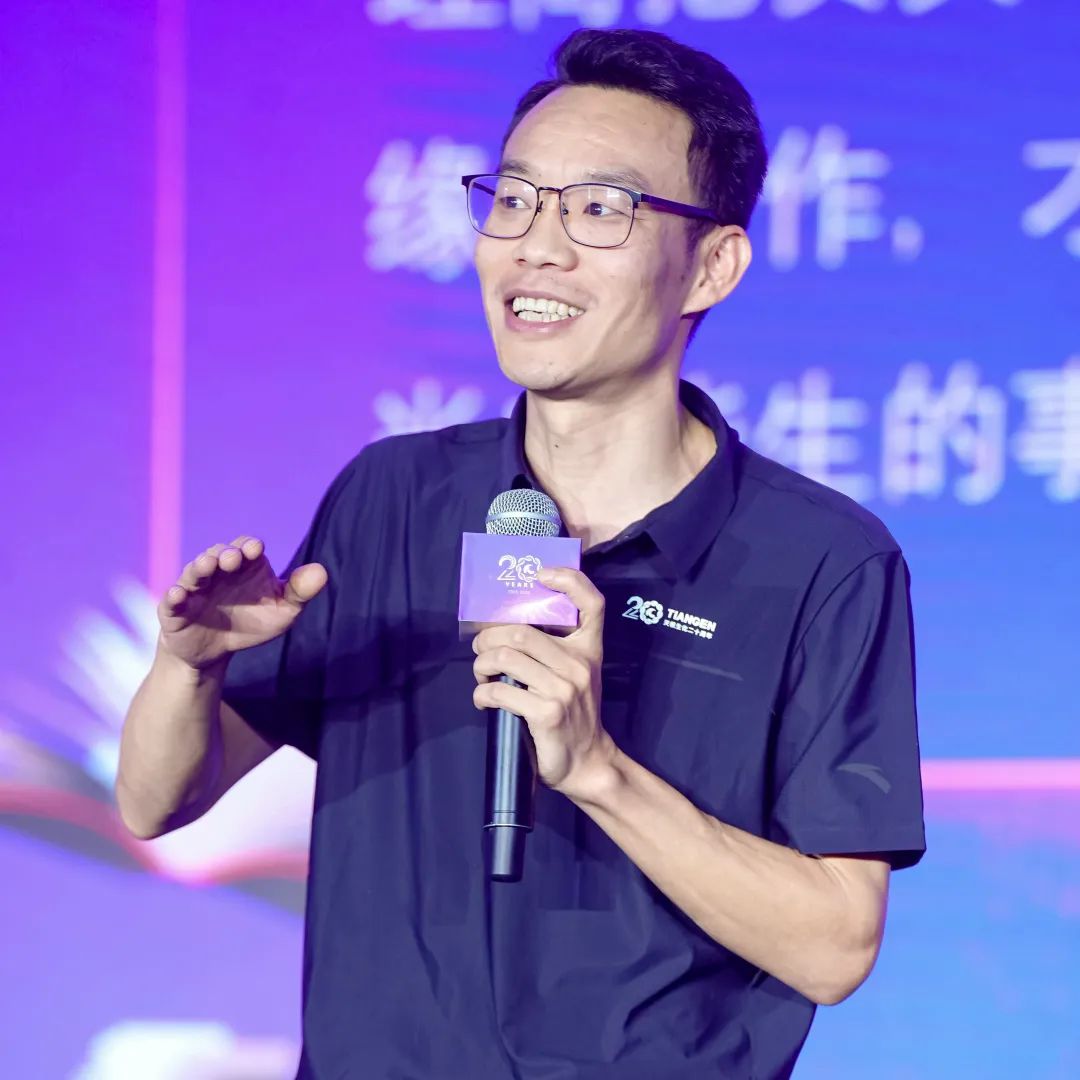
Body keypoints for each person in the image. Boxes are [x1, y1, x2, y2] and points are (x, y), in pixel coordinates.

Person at [117, 28, 925, 1080]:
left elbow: (835, 946)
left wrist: (599, 773)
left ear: (711, 265)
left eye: (599, 208)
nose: (536, 245)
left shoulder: (821, 560)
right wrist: (189, 669)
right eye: (515, 198)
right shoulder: (394, 498)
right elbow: (155, 802)